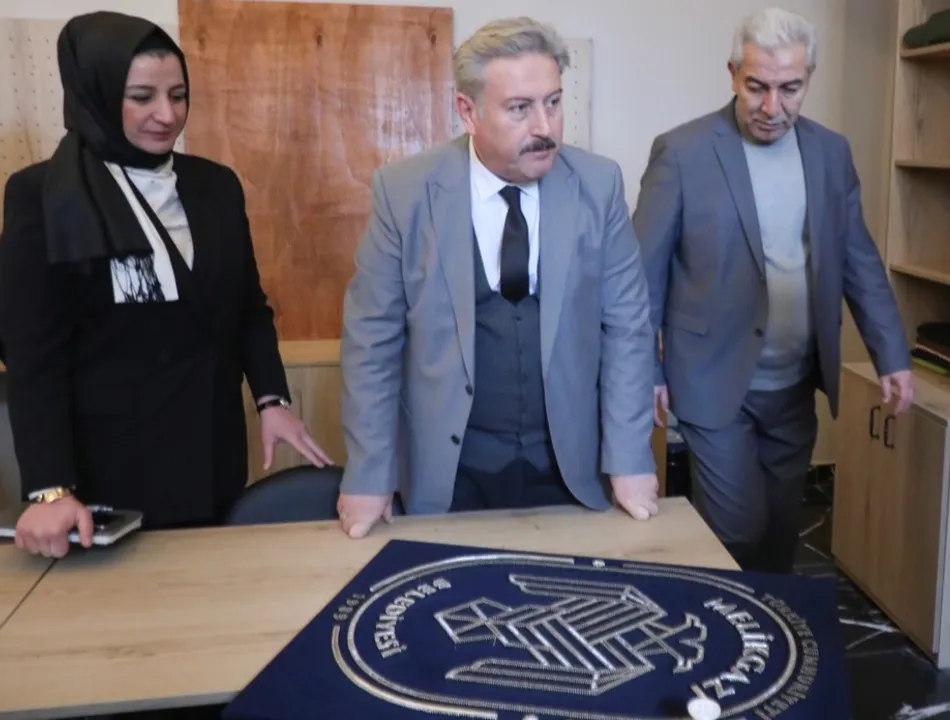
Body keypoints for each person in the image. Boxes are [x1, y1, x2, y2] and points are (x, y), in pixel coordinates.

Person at [0, 12, 332, 559]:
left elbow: (248, 308)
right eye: (142, 97)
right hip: (109, 477)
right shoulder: (41, 195)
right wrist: (49, 488)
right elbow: (33, 355)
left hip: (212, 456)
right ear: (96, 94)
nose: (167, 114)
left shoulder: (215, 186)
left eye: (178, 96)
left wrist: (271, 399)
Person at [336, 16, 658, 538]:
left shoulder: (599, 187)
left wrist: (629, 457)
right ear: (468, 111)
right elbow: (371, 342)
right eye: (519, 108)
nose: (545, 127)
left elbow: (627, 330)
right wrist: (370, 473)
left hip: (568, 466)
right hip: (449, 471)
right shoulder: (404, 192)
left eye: (553, 102)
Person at [632, 7, 912, 573]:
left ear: (809, 78)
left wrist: (892, 354)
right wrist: (649, 371)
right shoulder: (682, 152)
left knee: (781, 534)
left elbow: (859, 260)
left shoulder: (831, 153)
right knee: (736, 530)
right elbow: (642, 277)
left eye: (790, 88)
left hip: (794, 386)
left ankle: (766, 629)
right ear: (733, 73)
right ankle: (715, 619)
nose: (772, 106)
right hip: (712, 381)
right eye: (757, 86)